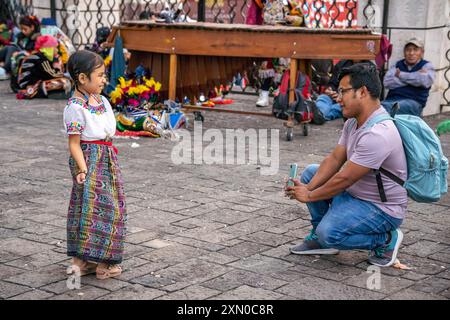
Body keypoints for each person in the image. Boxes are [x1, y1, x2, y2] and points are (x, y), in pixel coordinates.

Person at [286, 63, 407, 267]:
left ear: (362, 92)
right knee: (310, 174)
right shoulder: (354, 122)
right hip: (356, 194)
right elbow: (334, 160)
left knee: (329, 233)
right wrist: (307, 187)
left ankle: (385, 240)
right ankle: (320, 238)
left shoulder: (379, 133)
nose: (338, 98)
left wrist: (309, 195)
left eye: (343, 91)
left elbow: (345, 178)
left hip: (380, 208)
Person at [64, 50, 127, 279]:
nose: (104, 80)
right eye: (99, 75)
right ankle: (103, 264)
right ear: (82, 78)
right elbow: (74, 144)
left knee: (96, 207)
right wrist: (82, 169)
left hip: (106, 157)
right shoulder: (75, 108)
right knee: (98, 208)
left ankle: (83, 261)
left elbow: (111, 129)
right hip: (90, 158)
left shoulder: (101, 101)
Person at [382, 37, 435, 117]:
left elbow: (424, 81)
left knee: (385, 108)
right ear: (404, 52)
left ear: (422, 52)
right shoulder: (397, 65)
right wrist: (415, 77)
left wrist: (400, 75)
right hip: (391, 100)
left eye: (415, 50)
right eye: (408, 50)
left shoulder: (427, 65)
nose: (411, 53)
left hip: (413, 102)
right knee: (377, 107)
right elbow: (386, 82)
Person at [14, 35, 71, 99]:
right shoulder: (41, 58)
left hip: (31, 83)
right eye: (55, 48)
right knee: (64, 82)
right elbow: (53, 75)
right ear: (49, 49)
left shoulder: (38, 56)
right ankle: (34, 92)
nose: (57, 50)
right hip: (29, 86)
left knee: (66, 81)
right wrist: (56, 64)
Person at [0, 15, 41, 80]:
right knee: (8, 47)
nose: (22, 31)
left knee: (11, 48)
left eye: (25, 29)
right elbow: (16, 44)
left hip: (23, 58)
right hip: (14, 55)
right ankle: (3, 64)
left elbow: (33, 52)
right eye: (21, 29)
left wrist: (19, 53)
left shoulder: (36, 38)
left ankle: (5, 69)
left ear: (32, 27)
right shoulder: (21, 36)